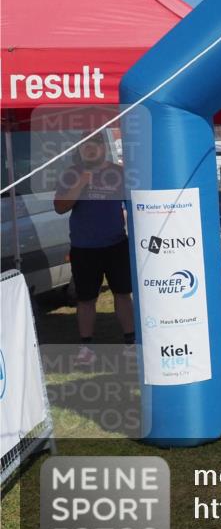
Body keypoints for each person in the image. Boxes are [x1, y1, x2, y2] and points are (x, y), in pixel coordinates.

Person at [54, 136, 135, 365]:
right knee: (86, 298)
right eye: (85, 147)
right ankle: (87, 347)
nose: (90, 151)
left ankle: (130, 342)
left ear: (103, 148)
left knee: (122, 293)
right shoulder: (71, 173)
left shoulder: (118, 173)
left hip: (116, 244)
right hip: (84, 247)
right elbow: (60, 207)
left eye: (94, 146)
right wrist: (81, 182)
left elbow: (132, 203)